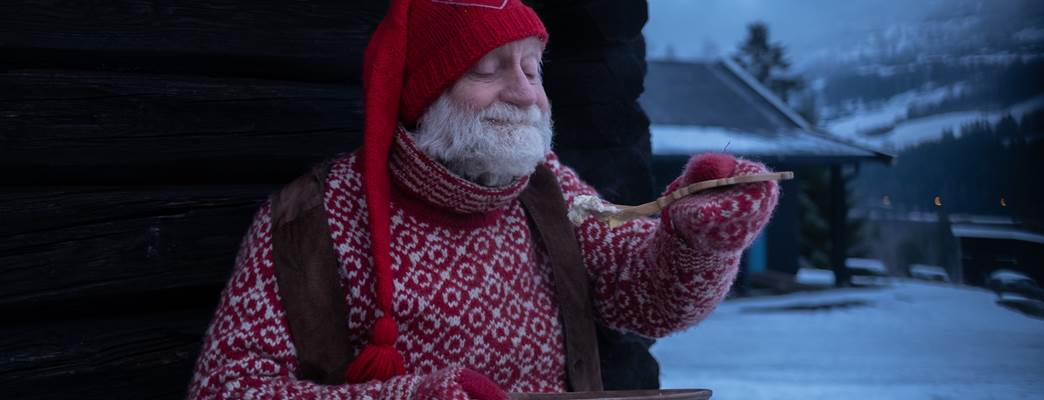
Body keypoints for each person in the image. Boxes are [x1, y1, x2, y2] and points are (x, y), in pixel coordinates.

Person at [188, 0, 780, 398]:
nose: (525, 93)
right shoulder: (308, 219)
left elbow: (644, 301)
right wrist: (407, 394)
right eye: (489, 69)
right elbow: (227, 386)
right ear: (425, 95)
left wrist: (697, 240)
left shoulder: (548, 190)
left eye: (531, 67)